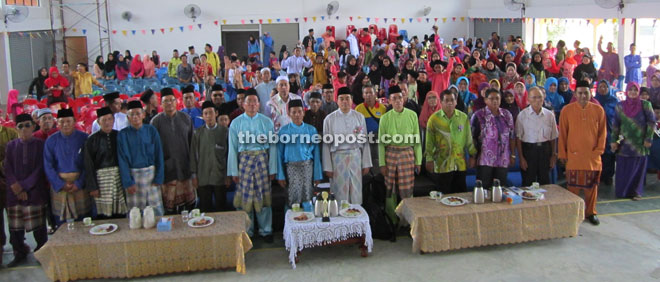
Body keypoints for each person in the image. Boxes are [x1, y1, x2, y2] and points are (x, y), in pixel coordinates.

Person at [228, 91, 276, 242]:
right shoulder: (236, 123)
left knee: (263, 198)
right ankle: (247, 231)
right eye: (248, 102)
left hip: (262, 160)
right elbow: (233, 148)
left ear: (259, 104)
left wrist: (273, 169)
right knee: (245, 198)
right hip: (244, 162)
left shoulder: (267, 122)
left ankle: (266, 230)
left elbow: (273, 147)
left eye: (255, 101)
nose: (252, 105)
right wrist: (233, 171)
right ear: (243, 104)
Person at [558, 80, 607, 225]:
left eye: (586, 92)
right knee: (573, 188)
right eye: (580, 93)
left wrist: (598, 151)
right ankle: (573, 213)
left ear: (590, 93)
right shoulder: (567, 110)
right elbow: (563, 135)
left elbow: (602, 133)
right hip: (574, 156)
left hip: (592, 157)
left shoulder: (598, 110)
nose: (583, 96)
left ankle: (591, 212)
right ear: (575, 94)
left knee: (591, 188)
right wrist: (563, 154)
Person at [4, 114, 47, 267]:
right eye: (20, 126)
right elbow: (7, 167)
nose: (24, 129)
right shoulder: (11, 145)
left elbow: (40, 168)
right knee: (15, 227)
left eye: (27, 125)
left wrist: (25, 186)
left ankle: (42, 252)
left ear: (33, 126)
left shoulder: (40, 144)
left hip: (33, 191)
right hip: (14, 193)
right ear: (16, 128)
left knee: (39, 227)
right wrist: (15, 185)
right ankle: (19, 252)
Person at [322, 87, 372, 204]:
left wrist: (366, 163)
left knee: (356, 192)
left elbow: (365, 141)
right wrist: (328, 167)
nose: (344, 101)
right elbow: (326, 146)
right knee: (339, 194)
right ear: (337, 100)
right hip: (338, 159)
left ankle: (356, 218)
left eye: (347, 98)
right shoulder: (329, 119)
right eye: (341, 99)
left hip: (355, 157)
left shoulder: (359, 117)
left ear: (351, 100)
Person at [150, 88, 195, 214]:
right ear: (161, 103)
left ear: (176, 102)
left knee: (190, 207)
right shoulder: (156, 122)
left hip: (185, 167)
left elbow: (192, 144)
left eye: (171, 100)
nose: (169, 103)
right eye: (166, 101)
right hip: (167, 170)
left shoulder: (186, 118)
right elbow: (153, 149)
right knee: (171, 209)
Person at [117, 100, 165, 216]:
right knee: (135, 214)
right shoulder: (123, 134)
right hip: (133, 178)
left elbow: (159, 154)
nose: (135, 117)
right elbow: (122, 160)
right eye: (132, 114)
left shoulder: (151, 130)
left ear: (143, 115)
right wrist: (128, 182)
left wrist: (159, 177)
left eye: (138, 113)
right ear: (128, 117)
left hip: (151, 176)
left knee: (156, 212)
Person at [43, 109, 90, 225]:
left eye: (68, 121)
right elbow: (48, 165)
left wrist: (79, 183)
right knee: (61, 222)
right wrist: (61, 184)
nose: (65, 124)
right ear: (57, 123)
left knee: (84, 220)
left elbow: (88, 164)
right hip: (60, 185)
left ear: (74, 122)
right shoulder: (51, 141)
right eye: (61, 122)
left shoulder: (84, 138)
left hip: (79, 185)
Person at [425, 90, 477, 194]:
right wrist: (429, 159)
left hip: (460, 163)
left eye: (452, 100)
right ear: (441, 102)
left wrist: (472, 156)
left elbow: (469, 139)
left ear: (456, 102)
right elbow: (429, 142)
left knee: (461, 195)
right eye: (446, 100)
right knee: (443, 195)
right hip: (442, 164)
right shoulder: (434, 119)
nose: (450, 103)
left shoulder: (463, 118)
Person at [611, 83, 656, 200]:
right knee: (623, 168)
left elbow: (652, 122)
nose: (632, 92)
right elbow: (616, 124)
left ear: (639, 91)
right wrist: (614, 141)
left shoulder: (645, 105)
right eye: (630, 89)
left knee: (638, 169)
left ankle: (636, 192)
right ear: (626, 91)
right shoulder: (620, 105)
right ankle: (622, 192)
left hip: (640, 143)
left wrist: (648, 138)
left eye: (635, 90)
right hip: (623, 142)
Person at [378, 86, 422, 200]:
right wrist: (382, 164)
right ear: (389, 101)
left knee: (407, 190)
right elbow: (381, 144)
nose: (397, 101)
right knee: (390, 190)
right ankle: (391, 217)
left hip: (407, 155)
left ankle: (408, 216)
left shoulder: (412, 115)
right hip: (390, 155)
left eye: (400, 98)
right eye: (394, 98)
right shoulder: (385, 118)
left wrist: (418, 161)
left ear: (404, 99)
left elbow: (417, 140)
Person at [276, 99, 322, 207]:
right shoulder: (284, 131)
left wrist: (317, 175)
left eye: (299, 111)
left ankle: (308, 221)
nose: (297, 115)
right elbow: (279, 154)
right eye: (294, 112)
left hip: (307, 168)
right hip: (290, 169)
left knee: (307, 198)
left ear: (304, 112)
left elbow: (316, 154)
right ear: (288, 114)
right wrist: (280, 175)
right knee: (292, 200)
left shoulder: (311, 130)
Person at [83, 107, 128, 218]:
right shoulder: (91, 139)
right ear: (98, 122)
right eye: (104, 120)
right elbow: (88, 164)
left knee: (120, 212)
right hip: (101, 181)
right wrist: (93, 187)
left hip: (118, 178)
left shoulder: (120, 135)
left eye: (109, 119)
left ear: (113, 120)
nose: (107, 122)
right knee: (103, 215)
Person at [471, 89, 515, 189]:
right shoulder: (479, 115)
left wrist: (512, 154)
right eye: (491, 98)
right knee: (483, 189)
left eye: (497, 98)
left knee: (500, 189)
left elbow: (512, 136)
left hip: (503, 159)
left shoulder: (507, 115)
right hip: (485, 159)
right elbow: (472, 138)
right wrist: (472, 156)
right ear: (486, 100)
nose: (495, 101)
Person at [190, 101, 229, 212]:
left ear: (216, 113)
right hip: (203, 176)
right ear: (202, 116)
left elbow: (229, 155)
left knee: (221, 208)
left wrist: (228, 175)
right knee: (205, 208)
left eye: (211, 113)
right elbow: (193, 155)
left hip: (220, 176)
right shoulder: (197, 133)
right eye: (205, 113)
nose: (208, 116)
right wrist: (194, 176)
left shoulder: (225, 132)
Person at [516, 87, 558, 186]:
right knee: (528, 182)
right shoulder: (522, 115)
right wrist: (521, 158)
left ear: (543, 98)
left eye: (540, 97)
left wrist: (553, 155)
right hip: (529, 151)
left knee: (544, 182)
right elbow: (518, 139)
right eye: (534, 97)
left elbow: (553, 137)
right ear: (528, 99)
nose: (537, 100)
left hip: (545, 151)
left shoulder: (549, 115)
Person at [594, 80, 619, 185]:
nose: (603, 89)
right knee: (598, 153)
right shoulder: (594, 101)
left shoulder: (614, 101)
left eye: (605, 87)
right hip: (596, 132)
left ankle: (608, 176)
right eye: (600, 87)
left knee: (609, 154)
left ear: (609, 88)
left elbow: (618, 118)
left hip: (610, 131)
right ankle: (597, 175)